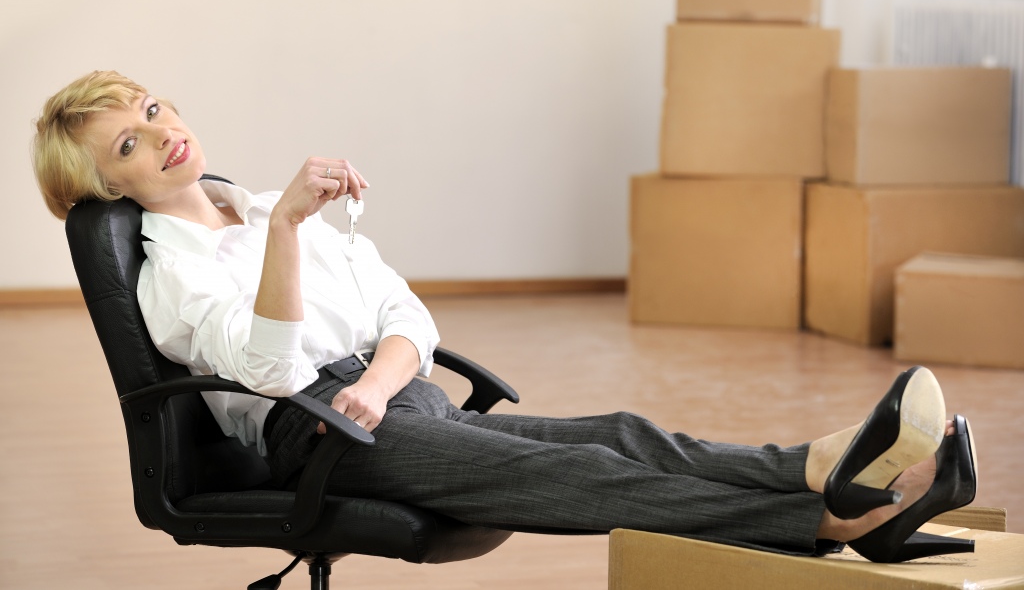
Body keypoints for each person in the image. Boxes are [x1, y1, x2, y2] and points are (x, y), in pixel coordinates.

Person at [32, 70, 978, 563]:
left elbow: (406, 311)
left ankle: (816, 464)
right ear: (106, 189)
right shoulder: (170, 274)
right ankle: (835, 518)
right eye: (129, 143)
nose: (161, 133)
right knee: (573, 471)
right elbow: (274, 373)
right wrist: (287, 231)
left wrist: (381, 378)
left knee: (616, 432)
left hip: (384, 401)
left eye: (152, 108)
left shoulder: (260, 203)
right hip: (313, 434)